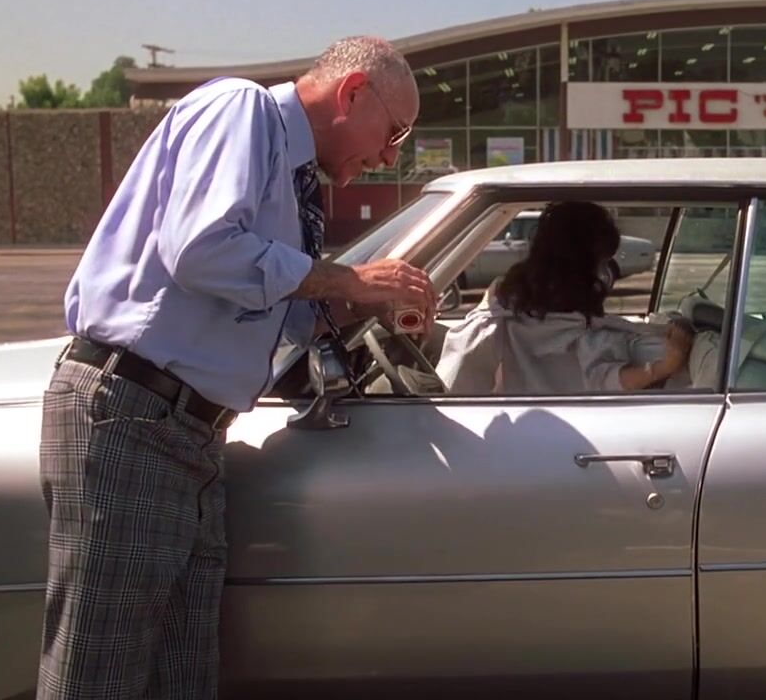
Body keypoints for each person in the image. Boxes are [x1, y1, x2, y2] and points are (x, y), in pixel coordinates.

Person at [36, 36, 432, 699]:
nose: (390, 156)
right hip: (132, 415)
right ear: (353, 92)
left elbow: (277, 317)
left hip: (185, 431)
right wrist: (345, 277)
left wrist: (365, 305)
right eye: (394, 133)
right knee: (99, 677)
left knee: (180, 677)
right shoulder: (242, 110)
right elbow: (202, 250)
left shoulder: (293, 183)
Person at [437, 201, 694, 394]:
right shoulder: (580, 328)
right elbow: (602, 378)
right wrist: (663, 367)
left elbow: (456, 378)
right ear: (586, 263)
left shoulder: (500, 304)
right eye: (601, 261)